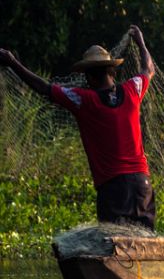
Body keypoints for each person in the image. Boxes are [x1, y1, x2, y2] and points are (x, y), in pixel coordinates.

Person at [0, 25, 156, 230]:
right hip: (142, 185)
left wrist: (12, 62)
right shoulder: (132, 90)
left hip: (113, 188)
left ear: (89, 77)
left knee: (115, 249)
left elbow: (43, 88)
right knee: (144, 245)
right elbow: (149, 69)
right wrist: (141, 42)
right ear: (111, 71)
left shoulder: (84, 100)